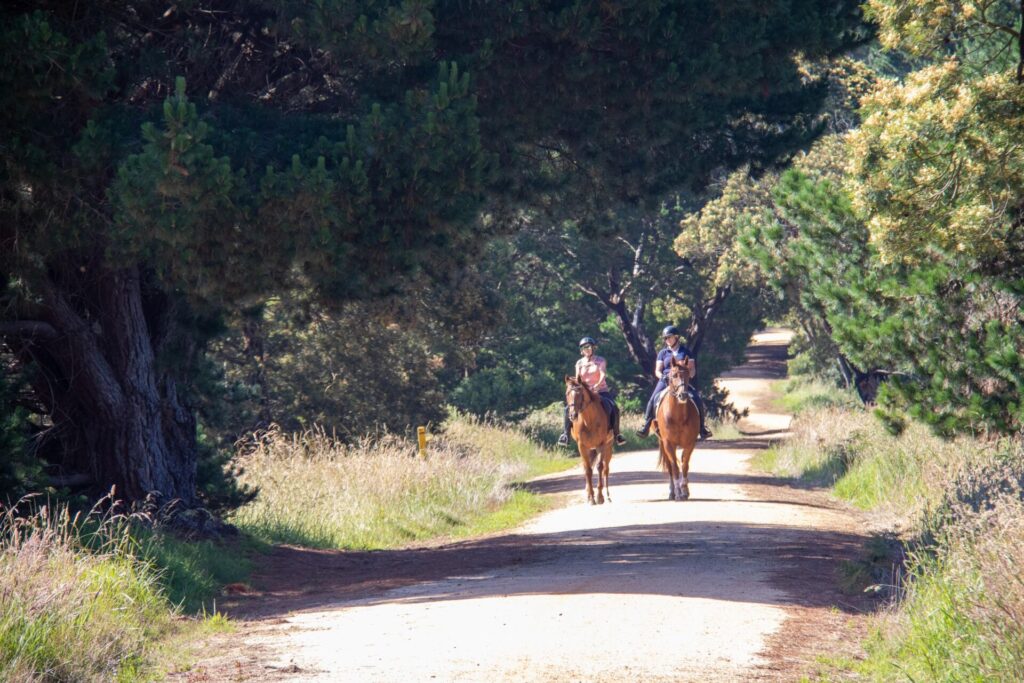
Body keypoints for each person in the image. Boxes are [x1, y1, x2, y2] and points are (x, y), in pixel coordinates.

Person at [636, 325, 712, 440]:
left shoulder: (686, 352)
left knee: (696, 398)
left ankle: (702, 428)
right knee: (653, 399)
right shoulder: (663, 353)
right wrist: (662, 376)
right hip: (666, 380)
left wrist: (687, 376)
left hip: (681, 381)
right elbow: (657, 370)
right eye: (665, 338)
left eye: (669, 337)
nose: (667, 340)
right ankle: (645, 426)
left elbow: (692, 369)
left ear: (676, 337)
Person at [558, 337, 627, 447]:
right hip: (584, 392)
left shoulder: (600, 360)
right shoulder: (579, 363)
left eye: (589, 347)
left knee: (613, 406)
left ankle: (617, 433)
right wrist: (572, 384)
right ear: (582, 350)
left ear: (594, 348)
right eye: (585, 347)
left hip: (600, 390)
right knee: (568, 409)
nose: (587, 349)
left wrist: (597, 385)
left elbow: (602, 374)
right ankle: (565, 434)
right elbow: (578, 378)